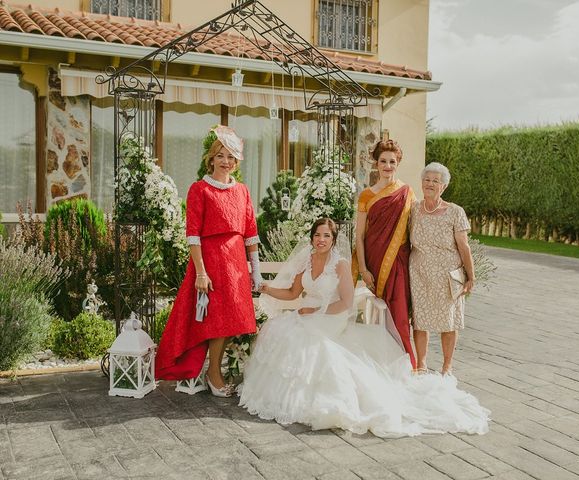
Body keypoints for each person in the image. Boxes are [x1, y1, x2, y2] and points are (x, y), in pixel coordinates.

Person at [239, 218, 489, 438]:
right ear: (312, 237)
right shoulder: (307, 259)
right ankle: (285, 396)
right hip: (306, 314)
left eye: (326, 235)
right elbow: (293, 292)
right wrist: (267, 288)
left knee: (310, 344)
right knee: (279, 331)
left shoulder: (340, 265)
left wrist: (315, 311)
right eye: (317, 235)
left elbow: (346, 303)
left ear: (334, 239)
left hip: (330, 316)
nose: (321, 239)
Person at [156, 125, 262, 397]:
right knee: (217, 321)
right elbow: (193, 235)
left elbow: (251, 234)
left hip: (236, 263)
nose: (226, 162)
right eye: (221, 155)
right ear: (211, 158)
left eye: (230, 157)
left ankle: (213, 371)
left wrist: (256, 273)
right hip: (212, 262)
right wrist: (201, 273)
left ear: (236, 162)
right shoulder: (199, 189)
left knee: (232, 321)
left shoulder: (242, 191)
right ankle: (214, 375)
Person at [353, 140, 417, 368]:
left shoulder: (407, 193)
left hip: (399, 263)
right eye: (383, 161)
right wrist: (363, 269)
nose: (387, 166)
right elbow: (359, 236)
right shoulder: (366, 196)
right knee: (379, 316)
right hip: (374, 262)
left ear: (398, 163)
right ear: (376, 163)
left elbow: (416, 229)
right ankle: (379, 363)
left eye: (392, 161)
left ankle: (405, 366)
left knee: (399, 315)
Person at [409, 162, 475, 376]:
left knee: (448, 321)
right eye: (427, 180)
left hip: (448, 274)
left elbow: (464, 246)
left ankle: (447, 366)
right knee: (420, 320)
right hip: (419, 273)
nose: (430, 184)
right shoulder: (413, 209)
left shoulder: (455, 212)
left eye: (435, 181)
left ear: (443, 187)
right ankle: (421, 364)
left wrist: (470, 277)